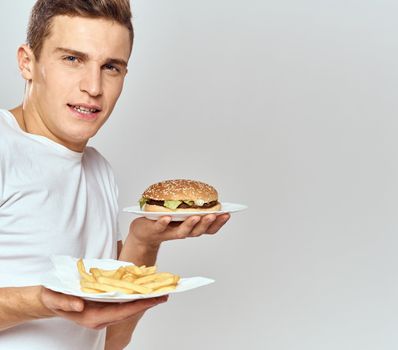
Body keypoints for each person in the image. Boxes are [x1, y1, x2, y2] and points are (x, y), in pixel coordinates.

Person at [0, 1, 230, 349]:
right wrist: (42, 300)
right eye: (72, 59)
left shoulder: (99, 171)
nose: (93, 87)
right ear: (27, 62)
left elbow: (109, 340)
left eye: (110, 67)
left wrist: (143, 242)